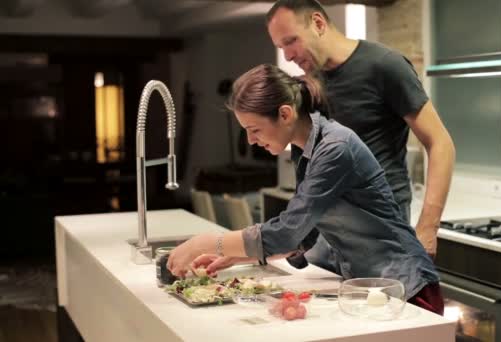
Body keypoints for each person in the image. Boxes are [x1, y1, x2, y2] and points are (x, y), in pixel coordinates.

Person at [167, 64, 444, 315]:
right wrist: (238, 254)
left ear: (285, 114)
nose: (251, 141)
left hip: (407, 289)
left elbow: (288, 231)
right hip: (373, 289)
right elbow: (304, 233)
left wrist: (204, 242)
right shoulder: (306, 150)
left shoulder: (336, 149)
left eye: (254, 130)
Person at [266, 0, 456, 259]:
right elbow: (307, 161)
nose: (287, 56)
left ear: (318, 23)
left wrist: (427, 229)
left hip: (380, 228)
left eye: (291, 41)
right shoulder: (309, 84)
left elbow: (440, 142)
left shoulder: (384, 65)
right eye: (280, 47)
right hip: (328, 230)